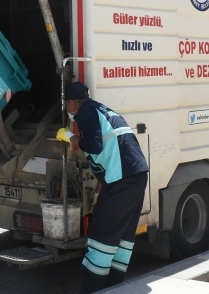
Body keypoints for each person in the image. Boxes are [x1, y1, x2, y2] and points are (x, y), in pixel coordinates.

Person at [56, 82, 150, 293]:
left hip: (123, 180)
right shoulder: (101, 109)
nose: (67, 110)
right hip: (135, 176)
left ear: (72, 104)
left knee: (101, 235)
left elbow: (94, 145)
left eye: (66, 105)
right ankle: (113, 287)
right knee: (122, 235)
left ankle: (92, 288)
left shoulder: (85, 113)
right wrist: (98, 196)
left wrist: (68, 136)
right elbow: (105, 161)